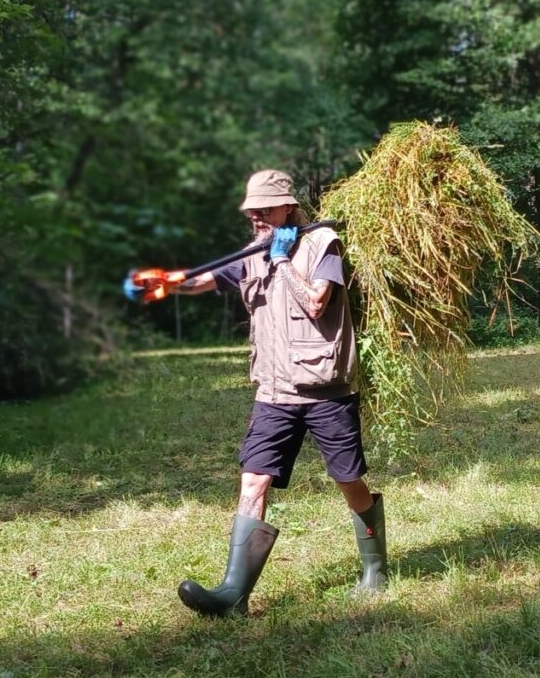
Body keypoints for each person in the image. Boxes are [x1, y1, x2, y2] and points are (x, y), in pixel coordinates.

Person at [129, 169, 387, 617]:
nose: (257, 219)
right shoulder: (253, 252)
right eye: (252, 213)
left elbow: (315, 303)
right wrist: (166, 282)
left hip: (326, 388)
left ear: (288, 206)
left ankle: (375, 569)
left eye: (265, 211)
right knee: (254, 479)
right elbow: (203, 280)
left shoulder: (323, 245)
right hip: (274, 391)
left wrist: (283, 260)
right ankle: (234, 594)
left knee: (348, 480)